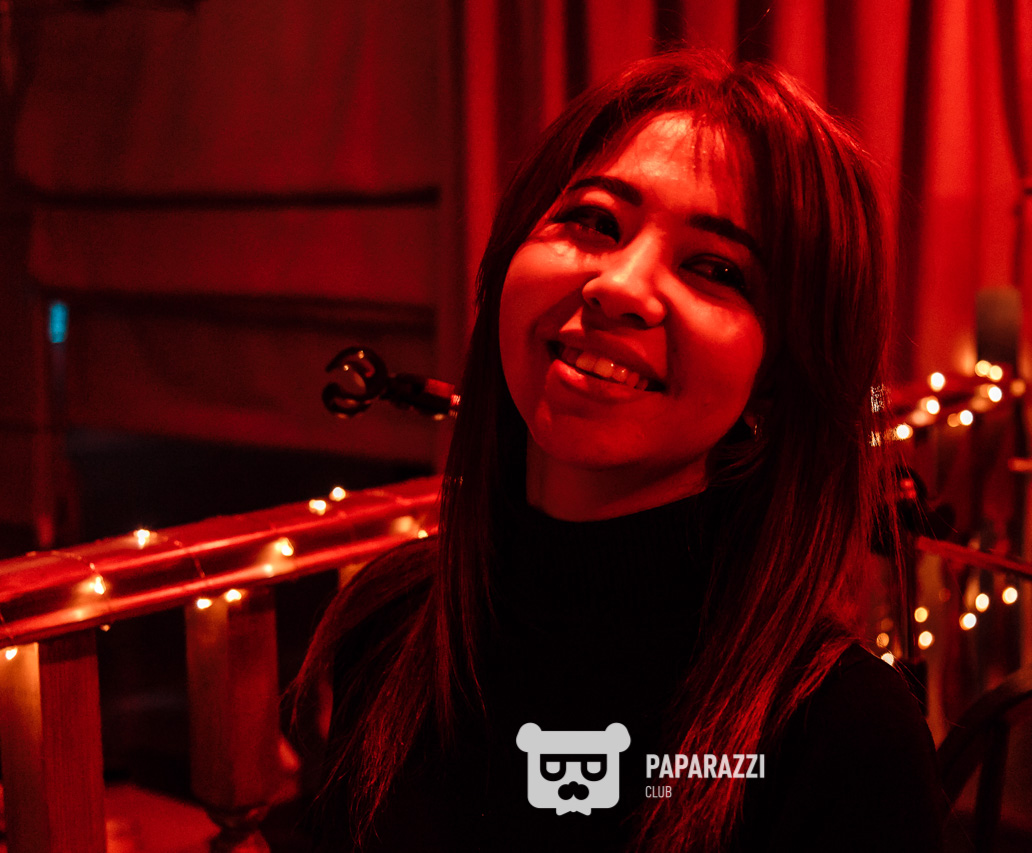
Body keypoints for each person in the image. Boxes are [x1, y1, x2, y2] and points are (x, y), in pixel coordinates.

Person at [296, 49, 949, 852]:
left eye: (715, 268)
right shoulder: (389, 624)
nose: (619, 286)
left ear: (778, 382)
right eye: (595, 221)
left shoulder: (841, 733)